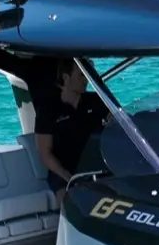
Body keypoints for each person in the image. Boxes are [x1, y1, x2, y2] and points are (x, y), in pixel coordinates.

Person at [20, 57, 111, 187]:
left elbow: (116, 121)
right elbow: (45, 153)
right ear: (66, 77)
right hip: (64, 175)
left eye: (87, 75)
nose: (86, 79)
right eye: (81, 75)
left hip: (98, 170)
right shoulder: (48, 110)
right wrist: (69, 178)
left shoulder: (96, 101)